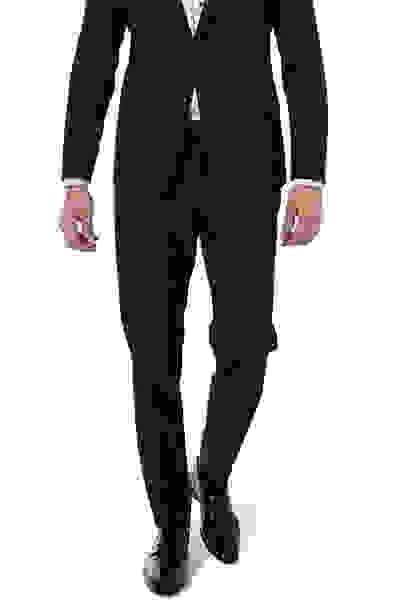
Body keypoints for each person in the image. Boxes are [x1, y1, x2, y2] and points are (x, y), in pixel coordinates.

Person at [58, 0, 328, 594]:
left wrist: (308, 176)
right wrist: (76, 178)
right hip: (148, 170)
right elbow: (96, 55)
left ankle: (213, 472)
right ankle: (172, 523)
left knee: (247, 342)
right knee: (153, 353)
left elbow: (301, 57)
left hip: (247, 167)